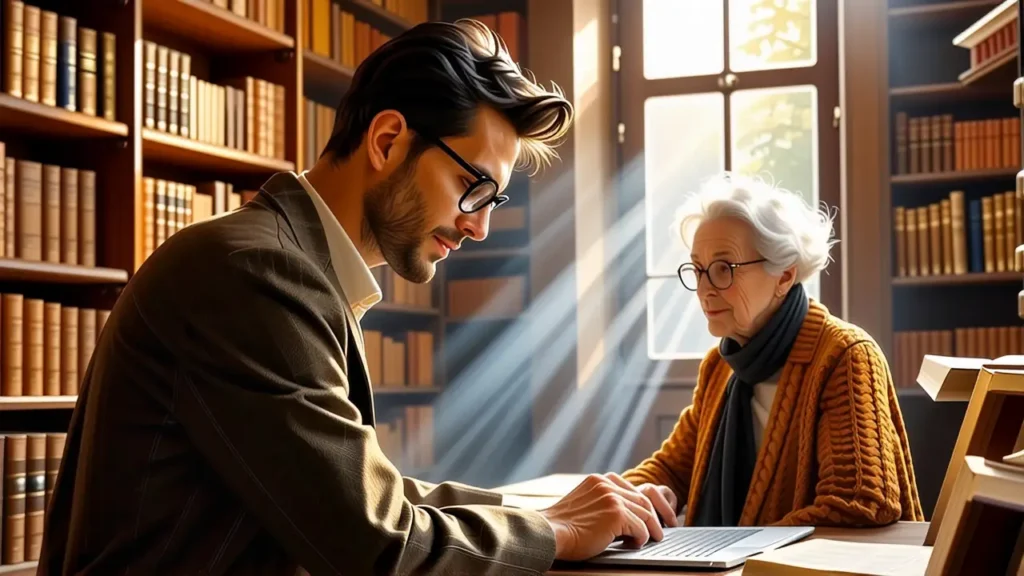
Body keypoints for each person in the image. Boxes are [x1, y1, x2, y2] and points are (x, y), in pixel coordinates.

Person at [39, 20, 670, 575]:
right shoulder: (256, 271)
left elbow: (369, 494)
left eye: (492, 199)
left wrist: (543, 512)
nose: (479, 224)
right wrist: (555, 531)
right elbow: (377, 544)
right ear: (388, 140)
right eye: (471, 185)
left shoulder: (291, 263)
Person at [622, 173, 924, 528]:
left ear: (783, 275)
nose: (703, 290)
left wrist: (739, 551)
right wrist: (631, 497)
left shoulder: (845, 356)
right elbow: (673, 468)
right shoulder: (720, 365)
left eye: (723, 269)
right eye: (698, 270)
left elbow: (859, 501)